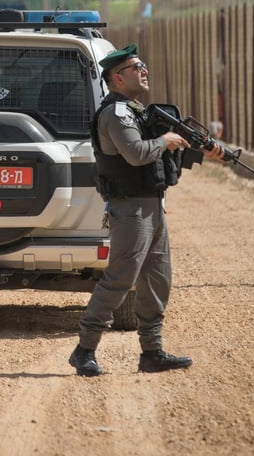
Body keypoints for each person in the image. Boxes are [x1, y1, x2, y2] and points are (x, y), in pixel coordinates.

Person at [68, 43, 223, 378]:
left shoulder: (137, 111)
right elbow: (136, 154)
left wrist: (190, 146)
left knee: (158, 279)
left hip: (152, 205)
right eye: (138, 67)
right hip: (131, 209)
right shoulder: (115, 114)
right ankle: (84, 350)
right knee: (120, 279)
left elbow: (159, 154)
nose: (145, 71)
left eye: (144, 65)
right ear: (118, 77)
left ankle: (152, 352)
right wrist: (165, 141)